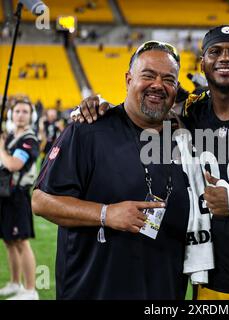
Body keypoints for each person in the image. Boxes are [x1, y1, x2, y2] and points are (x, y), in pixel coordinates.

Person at [72, 25, 229, 300]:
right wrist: (98, 104)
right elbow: (150, 95)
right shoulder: (192, 111)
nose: (225, 58)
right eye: (215, 51)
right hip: (209, 278)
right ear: (203, 63)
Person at [31, 42, 191, 299]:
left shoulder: (186, 139)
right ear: (128, 79)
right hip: (93, 291)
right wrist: (106, 213)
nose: (158, 85)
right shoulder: (88, 129)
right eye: (148, 75)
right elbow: (41, 201)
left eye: (168, 79)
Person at [0, 100, 40, 300]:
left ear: (31, 116)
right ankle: (15, 283)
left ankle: (30, 290)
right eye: (17, 111)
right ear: (11, 114)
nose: (21, 115)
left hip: (18, 196)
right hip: (5, 195)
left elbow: (14, 164)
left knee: (22, 241)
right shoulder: (10, 138)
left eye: (25, 111)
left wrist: (0, 147)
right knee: (9, 241)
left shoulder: (29, 140)